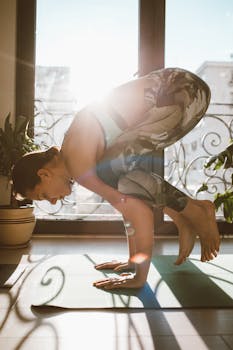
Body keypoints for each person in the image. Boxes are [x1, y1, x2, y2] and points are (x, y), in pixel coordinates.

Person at [12, 67, 220, 290]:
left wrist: (139, 277)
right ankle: (185, 216)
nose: (53, 201)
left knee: (121, 180)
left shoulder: (80, 165)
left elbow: (138, 212)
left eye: (44, 195)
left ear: (44, 174)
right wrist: (132, 261)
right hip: (184, 88)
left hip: (182, 93)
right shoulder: (76, 152)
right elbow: (129, 204)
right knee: (127, 179)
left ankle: (196, 212)